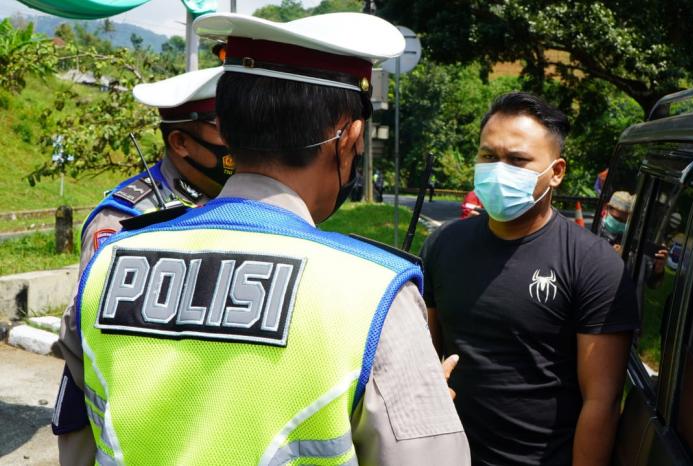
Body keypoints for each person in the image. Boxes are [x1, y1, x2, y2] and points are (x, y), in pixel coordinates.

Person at [66, 12, 468, 465]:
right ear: (348, 136)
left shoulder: (108, 264)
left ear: (229, 129)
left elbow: (77, 437)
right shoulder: (374, 294)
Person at [420, 92, 639, 465]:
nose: (498, 169)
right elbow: (423, 355)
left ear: (556, 172)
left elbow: (600, 403)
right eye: (488, 156)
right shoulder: (444, 244)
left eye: (517, 160)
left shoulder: (592, 263)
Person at [51, 66, 231, 464]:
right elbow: (93, 333)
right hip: (111, 424)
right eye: (223, 126)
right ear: (181, 141)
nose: (239, 139)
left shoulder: (233, 202)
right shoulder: (124, 219)